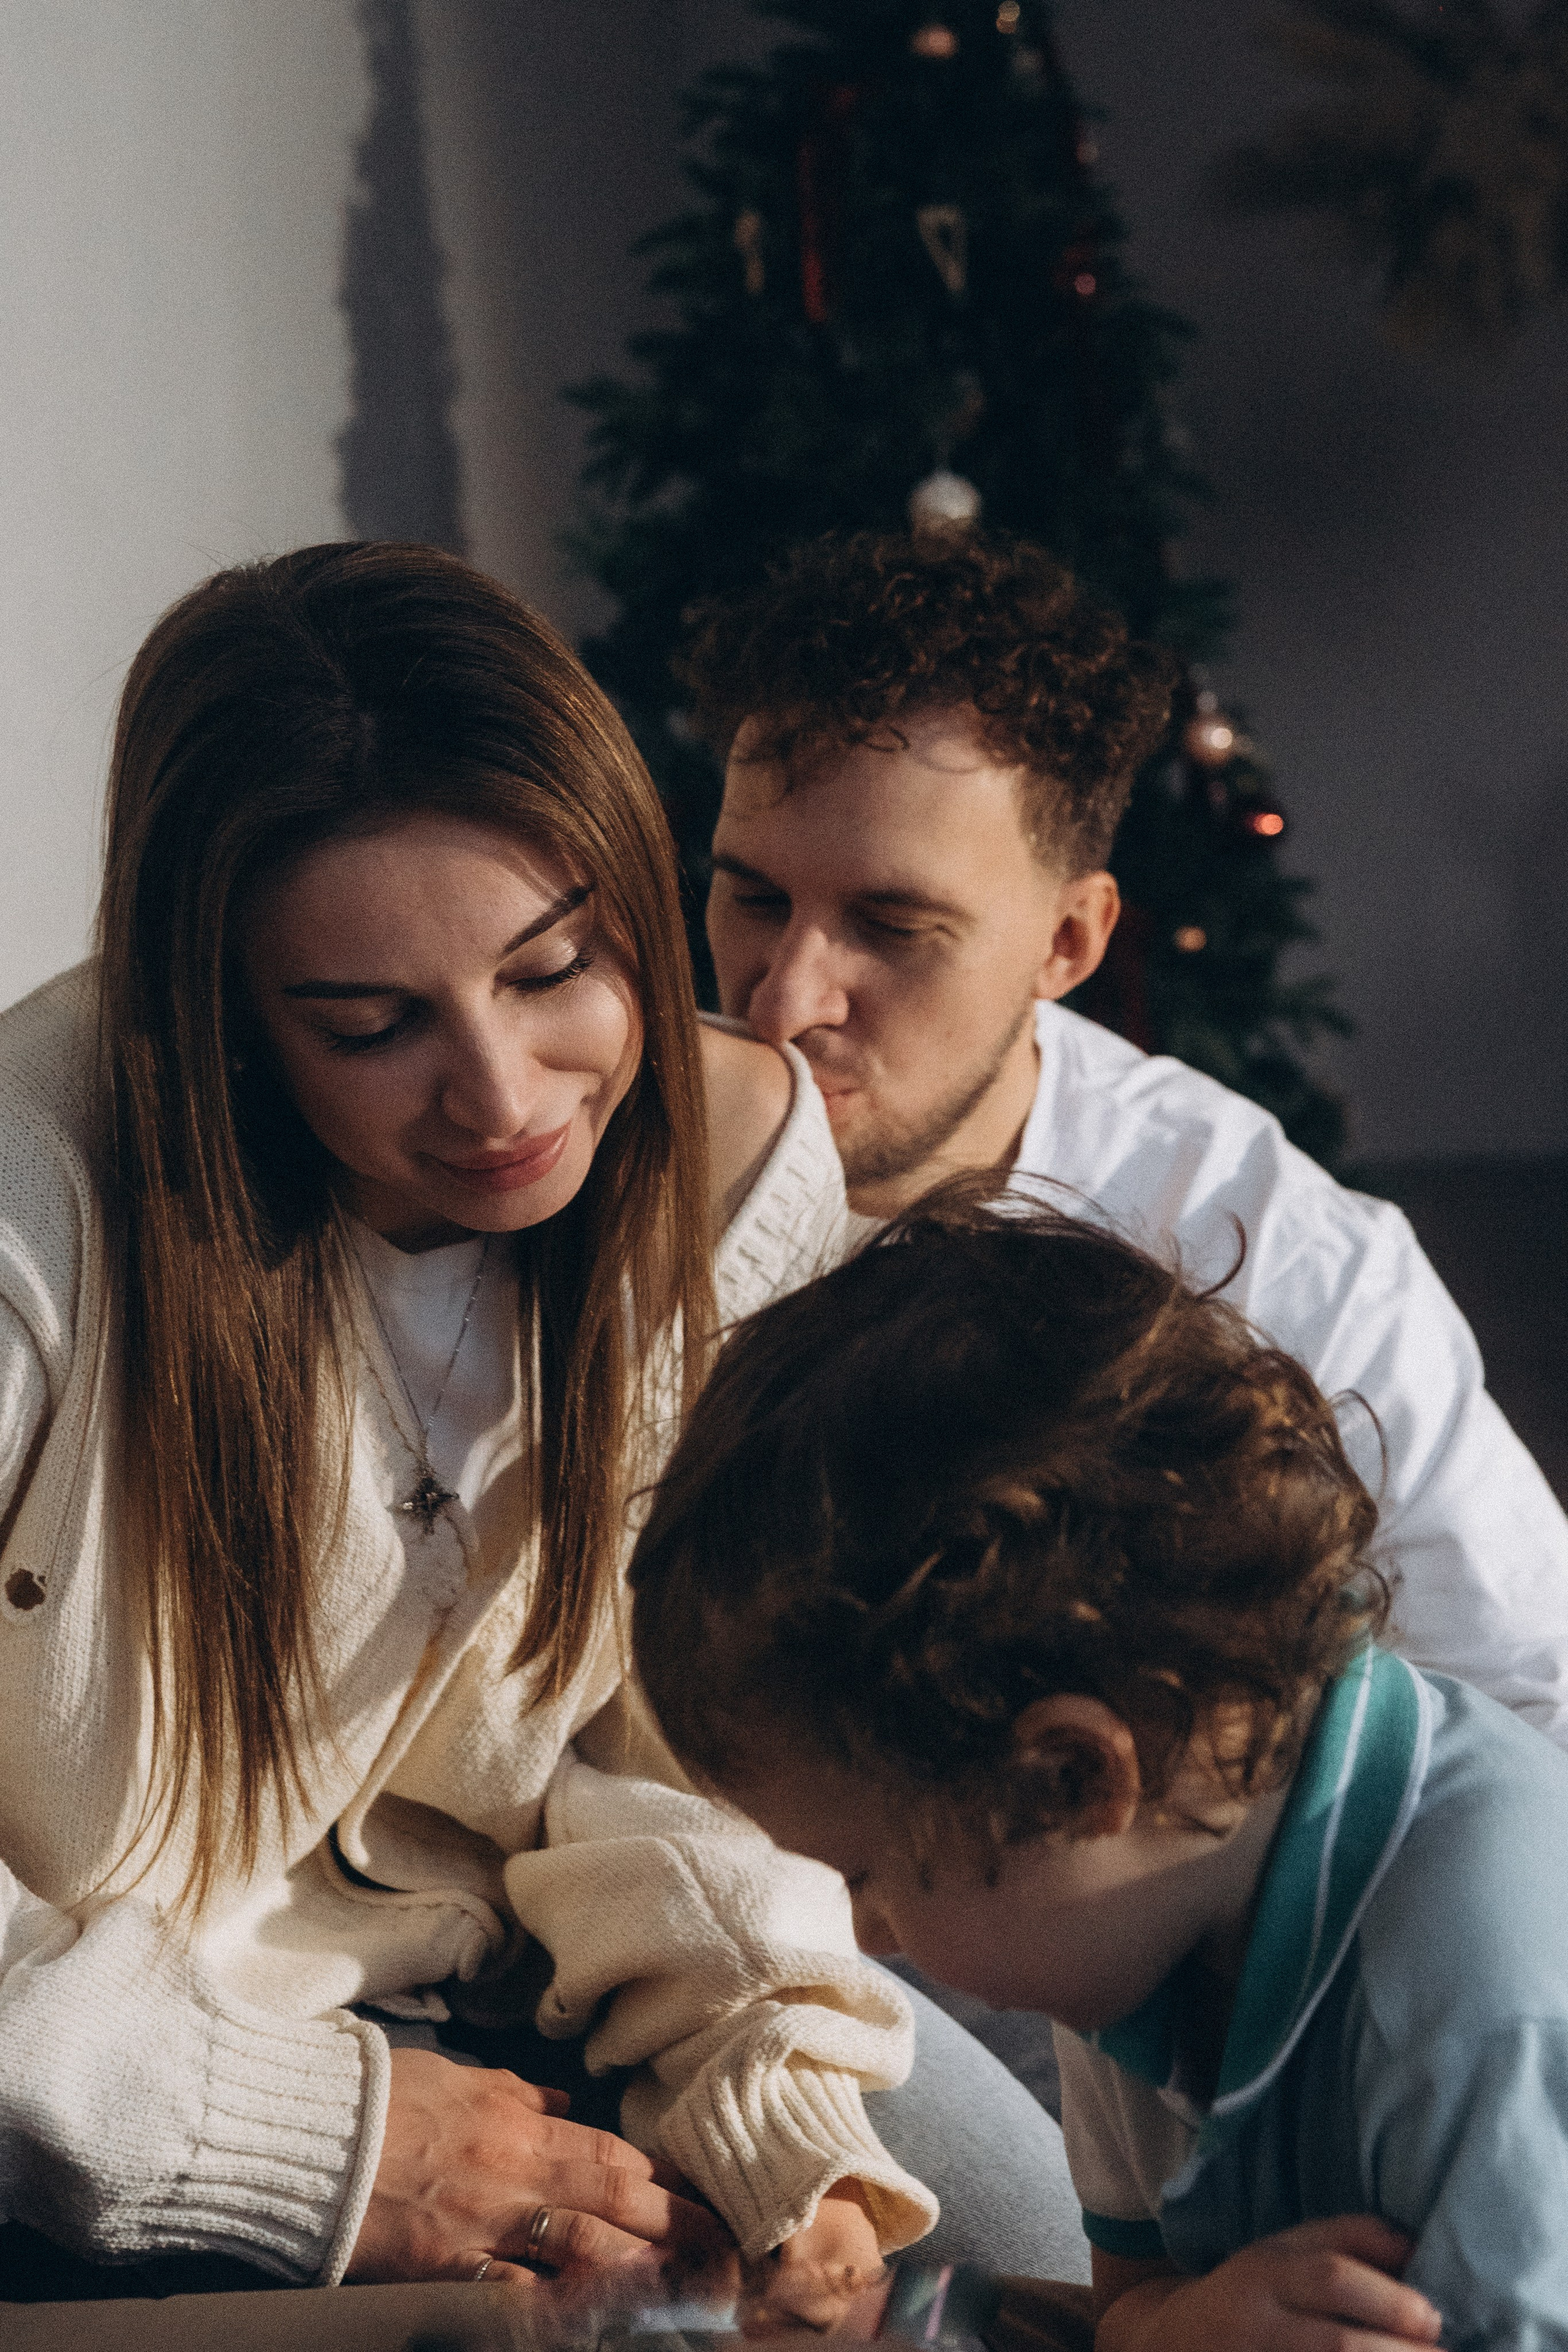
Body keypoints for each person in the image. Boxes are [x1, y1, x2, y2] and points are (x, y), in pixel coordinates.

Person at [0, 543, 1074, 2307]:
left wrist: (773, 2113)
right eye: (370, 1026)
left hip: (539, 1984)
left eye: (558, 968)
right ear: (226, 1027)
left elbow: (689, 1751)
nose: (506, 1101)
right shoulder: (35, 1206)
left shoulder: (738, 1177)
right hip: (102, 2058)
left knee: (1021, 2263)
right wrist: (314, 2148)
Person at [630, 1191, 1568, 2351]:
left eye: (867, 1874)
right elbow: (1132, 2307)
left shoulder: (1490, 2005)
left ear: (1070, 1779)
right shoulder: (1136, 1906)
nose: (866, 1934)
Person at [687, 529, 1568, 1744]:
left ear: (1067, 944)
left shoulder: (1277, 1256)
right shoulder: (583, 1149)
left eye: (891, 926)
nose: (782, 1001)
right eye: (752, 896)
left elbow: (1531, 1701)